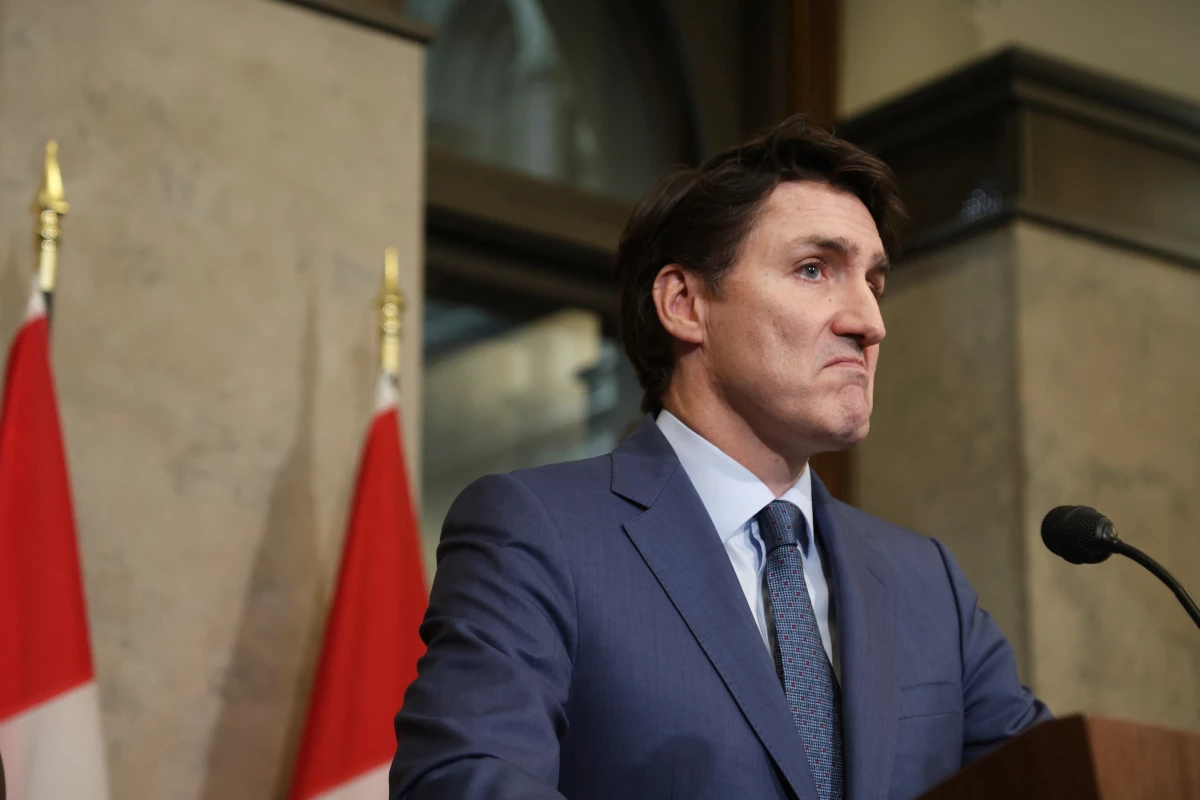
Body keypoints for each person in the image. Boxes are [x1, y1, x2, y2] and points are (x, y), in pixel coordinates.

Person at [389, 114, 1051, 800]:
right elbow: (466, 785)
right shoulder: (539, 532)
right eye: (814, 269)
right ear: (685, 304)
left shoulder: (928, 584)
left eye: (874, 284)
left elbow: (1056, 783)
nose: (869, 322)